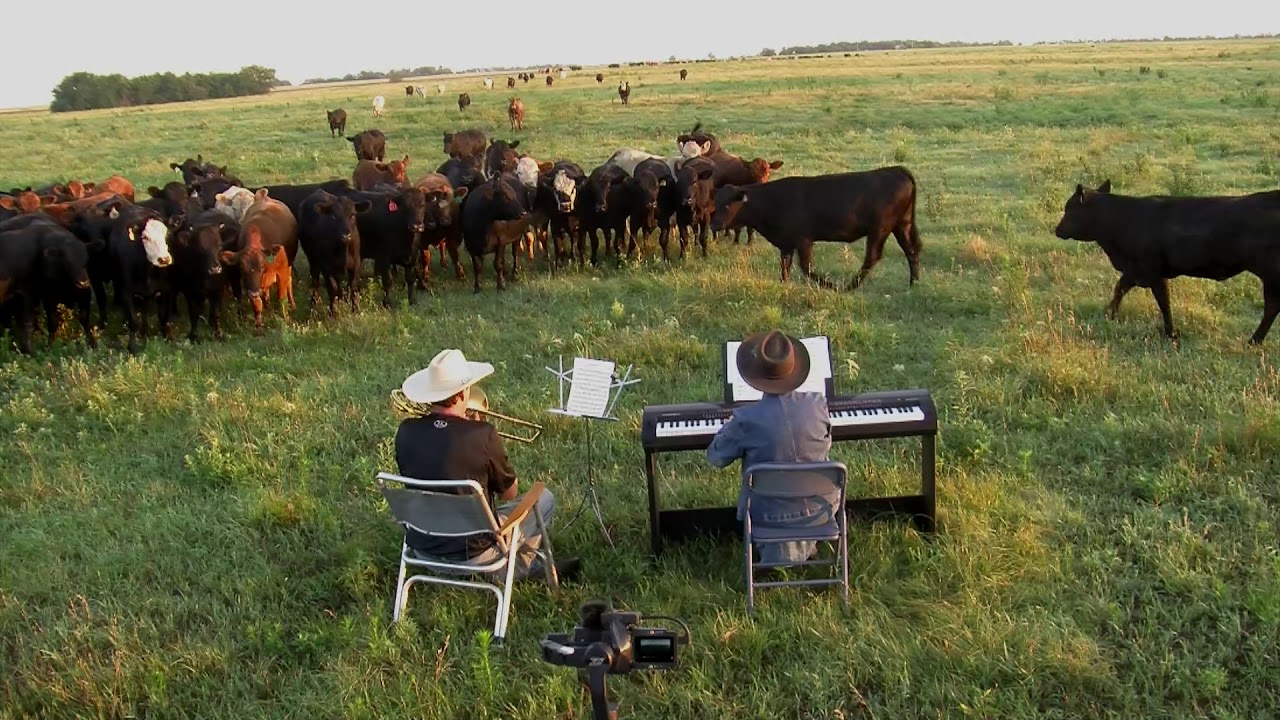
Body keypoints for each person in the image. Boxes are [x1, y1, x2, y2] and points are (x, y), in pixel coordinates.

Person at [395, 348, 580, 581]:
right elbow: (509, 493)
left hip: (422, 547)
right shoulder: (483, 434)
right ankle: (520, 568)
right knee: (543, 499)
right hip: (473, 552)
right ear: (463, 392)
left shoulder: (405, 431)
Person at [705, 330, 838, 565]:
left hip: (769, 513)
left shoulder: (747, 420)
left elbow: (716, 457)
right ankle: (807, 546)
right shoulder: (818, 405)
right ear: (795, 370)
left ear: (754, 376)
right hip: (823, 507)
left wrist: (728, 428)